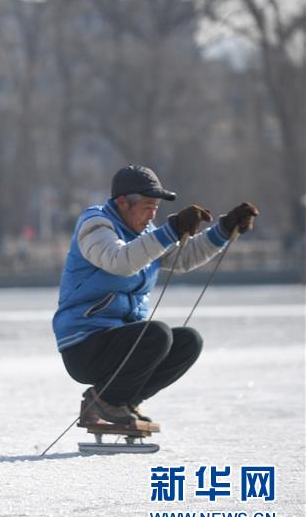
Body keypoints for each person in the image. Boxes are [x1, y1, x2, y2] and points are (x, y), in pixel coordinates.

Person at [52, 165, 258, 427]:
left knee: (188, 341)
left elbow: (183, 258)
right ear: (123, 203)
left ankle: (119, 402)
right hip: (85, 346)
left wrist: (224, 230)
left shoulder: (146, 233)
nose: (152, 215)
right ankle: (107, 401)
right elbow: (120, 261)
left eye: (156, 209)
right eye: (147, 207)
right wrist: (170, 231)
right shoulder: (95, 225)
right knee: (157, 334)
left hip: (121, 343)